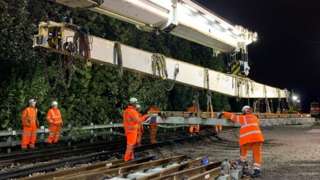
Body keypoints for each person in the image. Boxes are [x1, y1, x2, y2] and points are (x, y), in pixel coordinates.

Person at [220, 105, 264, 178]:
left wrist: (223, 113)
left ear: (244, 112)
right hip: (258, 138)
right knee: (257, 154)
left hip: (247, 139)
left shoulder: (243, 118)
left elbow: (233, 117)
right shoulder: (255, 118)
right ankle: (257, 171)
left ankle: (242, 162)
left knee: (243, 150)